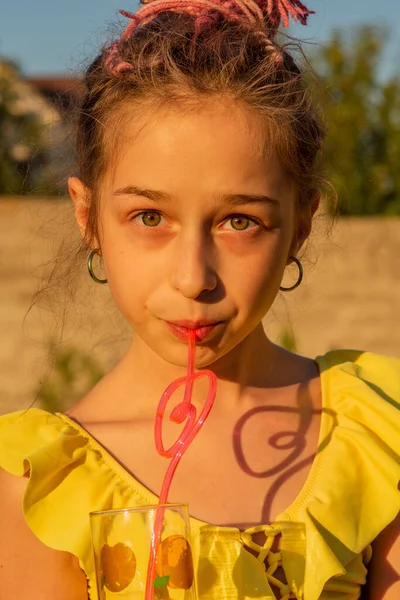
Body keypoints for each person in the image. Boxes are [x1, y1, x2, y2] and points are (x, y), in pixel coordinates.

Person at [0, 0, 399, 598]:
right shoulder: (40, 484)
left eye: (239, 222)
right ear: (89, 218)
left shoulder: (376, 434)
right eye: (149, 215)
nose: (193, 278)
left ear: (302, 224)